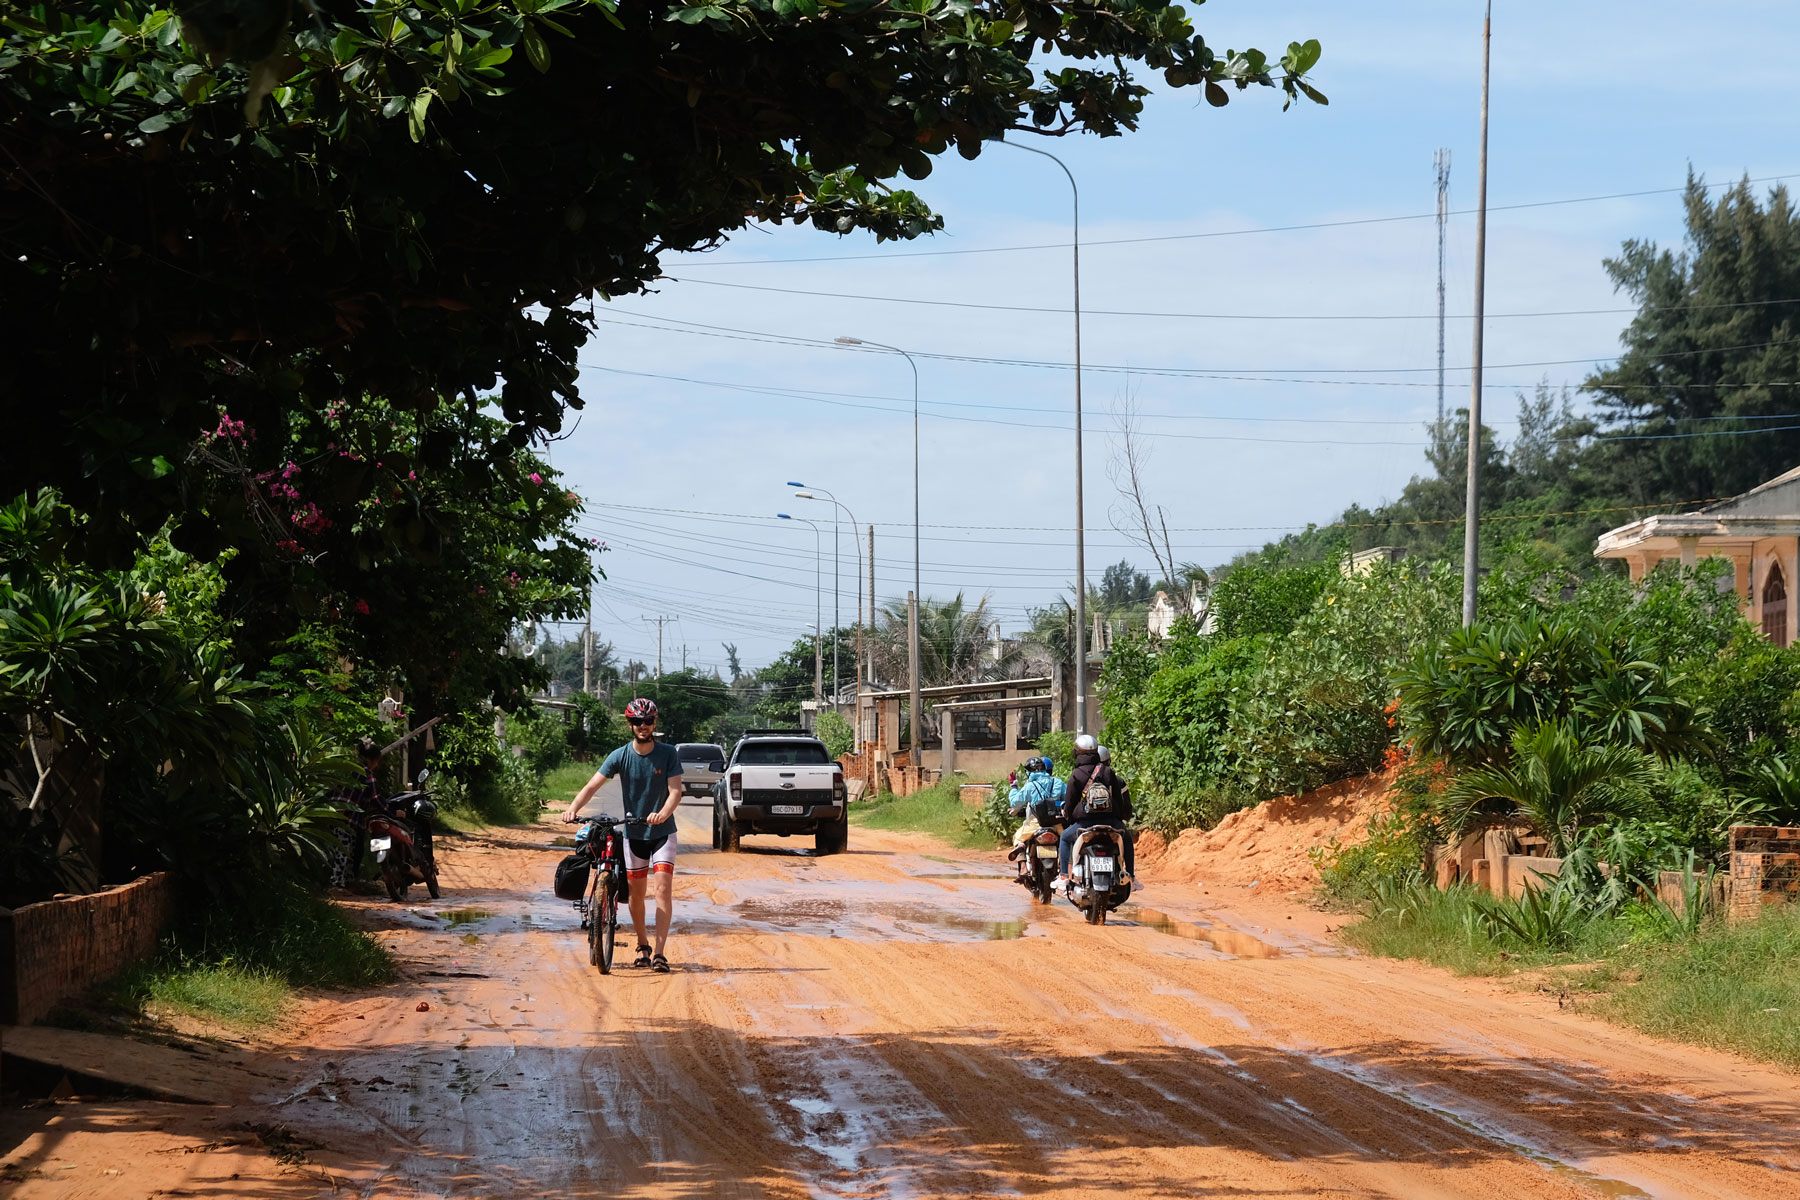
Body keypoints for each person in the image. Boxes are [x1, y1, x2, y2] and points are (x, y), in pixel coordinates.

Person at [564, 698, 683, 973]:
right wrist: (572, 808)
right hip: (634, 834)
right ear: (630, 724)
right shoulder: (620, 755)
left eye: (648, 721)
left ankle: (660, 954)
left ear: (655, 723)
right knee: (636, 895)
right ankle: (643, 946)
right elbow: (592, 786)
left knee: (663, 889)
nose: (643, 726)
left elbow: (676, 792)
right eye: (638, 722)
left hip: (663, 833)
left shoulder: (667, 754)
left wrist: (663, 813)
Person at [1054, 733, 1138, 891]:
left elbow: (1070, 802)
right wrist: (1117, 817)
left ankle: (1064, 875)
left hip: (1085, 823)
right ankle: (1132, 876)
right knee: (1126, 839)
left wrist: (1070, 818)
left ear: (1077, 753)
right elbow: (1118, 800)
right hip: (1110, 821)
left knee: (1064, 838)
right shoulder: (1107, 771)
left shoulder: (1076, 774)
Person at [328, 738, 385, 891]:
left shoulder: (348, 769)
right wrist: (390, 810)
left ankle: (345, 881)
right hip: (347, 816)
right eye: (375, 761)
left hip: (333, 811)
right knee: (344, 850)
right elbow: (376, 799)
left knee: (346, 849)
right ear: (369, 760)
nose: (377, 764)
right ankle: (336, 883)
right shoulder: (368, 775)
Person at [1005, 757, 1066, 874]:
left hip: (1036, 822)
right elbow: (1066, 801)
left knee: (1018, 837)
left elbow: (1014, 802)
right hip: (1056, 822)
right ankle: (1065, 870)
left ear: (1028, 772)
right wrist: (1056, 804)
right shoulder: (1058, 782)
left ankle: (1023, 867)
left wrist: (1014, 787)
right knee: (1065, 841)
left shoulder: (1030, 786)